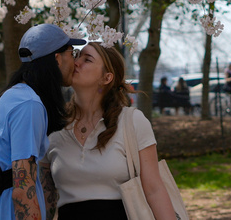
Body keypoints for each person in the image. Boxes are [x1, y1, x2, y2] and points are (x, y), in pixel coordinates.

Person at [46, 42, 177, 220]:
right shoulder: (53, 125)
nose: (76, 62)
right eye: (77, 56)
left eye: (87, 59)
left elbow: (154, 190)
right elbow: (45, 196)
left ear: (106, 78)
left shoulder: (132, 121)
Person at [0, 23, 83, 220]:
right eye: (72, 53)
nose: (75, 61)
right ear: (57, 59)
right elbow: (22, 188)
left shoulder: (12, 96)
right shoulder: (29, 105)